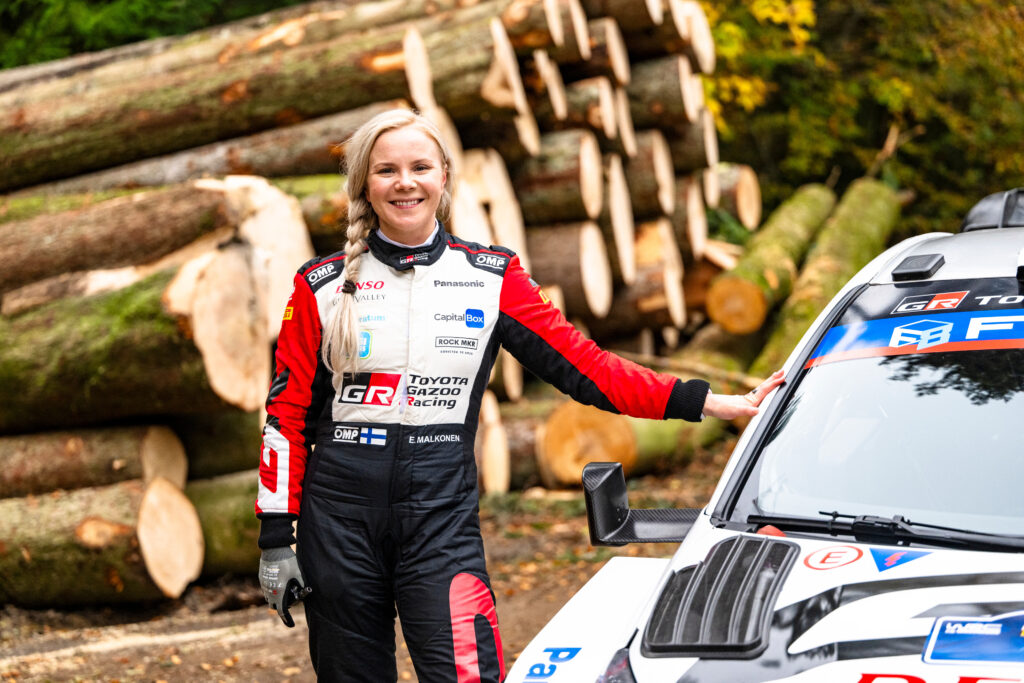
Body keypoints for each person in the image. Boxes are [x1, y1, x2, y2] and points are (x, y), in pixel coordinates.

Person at [255, 108, 785, 683]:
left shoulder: (490, 276)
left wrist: (703, 401)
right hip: (338, 521)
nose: (405, 182)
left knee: (469, 674)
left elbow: (588, 368)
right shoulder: (319, 286)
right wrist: (275, 540)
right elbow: (285, 420)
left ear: (445, 177)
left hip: (440, 518)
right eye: (387, 170)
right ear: (364, 184)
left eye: (420, 167)